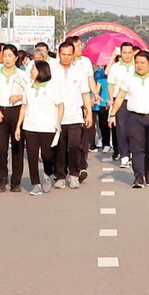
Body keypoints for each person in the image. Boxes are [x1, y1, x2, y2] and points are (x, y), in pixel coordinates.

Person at [111, 49, 149, 189]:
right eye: (137, 63)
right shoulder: (129, 78)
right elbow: (120, 97)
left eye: (142, 63)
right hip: (135, 118)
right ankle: (138, 176)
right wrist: (112, 113)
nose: (139, 65)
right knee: (137, 148)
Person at [17, 59, 67, 194]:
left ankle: (47, 174)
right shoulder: (28, 87)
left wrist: (58, 122)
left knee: (47, 155)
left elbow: (61, 106)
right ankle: (35, 184)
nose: (31, 72)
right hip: (30, 126)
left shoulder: (52, 87)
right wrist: (18, 126)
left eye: (33, 69)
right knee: (32, 155)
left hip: (47, 127)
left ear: (41, 71)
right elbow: (23, 107)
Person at [51, 39, 93, 188]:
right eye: (63, 54)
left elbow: (85, 93)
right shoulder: (51, 70)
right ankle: (60, 176)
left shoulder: (79, 72)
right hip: (56, 117)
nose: (66, 57)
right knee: (59, 148)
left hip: (75, 115)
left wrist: (88, 113)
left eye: (69, 54)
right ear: (59, 54)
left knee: (75, 145)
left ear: (73, 55)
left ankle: (74, 174)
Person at [0, 44, 28, 191]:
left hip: (17, 112)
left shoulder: (22, 75)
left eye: (10, 56)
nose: (7, 59)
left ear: (16, 57)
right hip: (0, 112)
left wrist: (19, 96)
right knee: (1, 147)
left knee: (17, 147)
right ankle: (2, 179)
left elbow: (28, 94)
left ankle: (16, 181)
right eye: (5, 56)